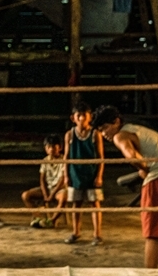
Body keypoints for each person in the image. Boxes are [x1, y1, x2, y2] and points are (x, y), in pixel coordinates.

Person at [93, 105, 158, 269]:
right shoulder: (137, 129)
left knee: (152, 234)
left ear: (116, 122)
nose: (104, 134)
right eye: (100, 130)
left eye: (106, 128)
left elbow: (132, 156)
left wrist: (143, 168)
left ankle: (149, 273)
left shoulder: (120, 136)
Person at [63, 101, 104, 245]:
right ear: (73, 118)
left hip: (91, 174)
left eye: (84, 115)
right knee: (76, 204)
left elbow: (100, 157)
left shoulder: (95, 134)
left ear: (90, 117)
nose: (81, 119)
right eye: (78, 115)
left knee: (95, 204)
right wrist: (66, 175)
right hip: (75, 174)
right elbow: (66, 157)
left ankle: (97, 235)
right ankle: (76, 232)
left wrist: (99, 176)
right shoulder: (69, 135)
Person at [22, 134, 66, 228]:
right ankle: (38, 217)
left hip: (59, 189)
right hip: (48, 188)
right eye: (48, 147)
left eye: (54, 146)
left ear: (60, 147)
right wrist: (46, 194)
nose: (51, 149)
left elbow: (62, 180)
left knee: (63, 198)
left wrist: (52, 194)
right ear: (45, 148)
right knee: (25, 195)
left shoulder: (64, 160)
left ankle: (52, 220)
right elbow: (42, 179)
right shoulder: (45, 160)